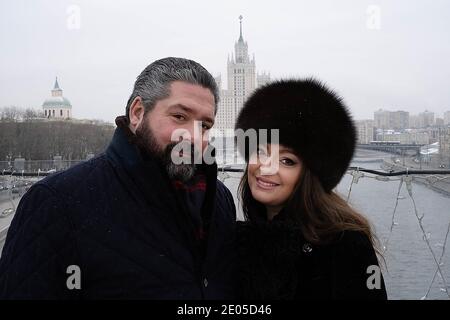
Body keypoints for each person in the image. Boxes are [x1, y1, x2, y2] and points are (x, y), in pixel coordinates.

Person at [0, 57, 237, 299]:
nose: (195, 136)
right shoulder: (55, 203)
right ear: (137, 113)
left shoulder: (218, 199)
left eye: (205, 125)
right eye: (179, 117)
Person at [234, 78, 387, 300]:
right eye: (261, 151)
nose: (266, 167)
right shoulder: (245, 236)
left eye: (287, 161)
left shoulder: (347, 243)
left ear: (311, 175)